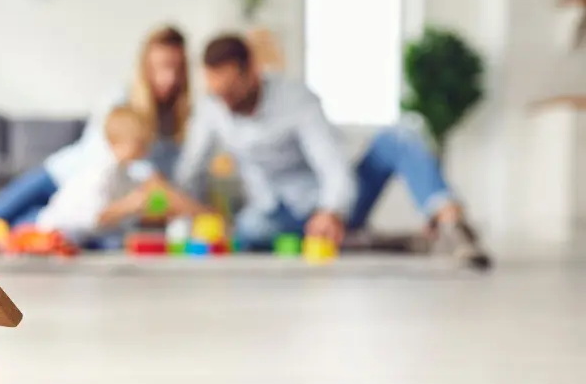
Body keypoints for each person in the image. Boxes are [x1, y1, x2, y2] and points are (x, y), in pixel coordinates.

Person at [175, 34, 492, 270]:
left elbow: (332, 163)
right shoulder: (211, 110)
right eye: (217, 94)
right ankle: (368, 241)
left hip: (330, 204)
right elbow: (191, 170)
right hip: (274, 214)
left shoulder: (296, 100)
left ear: (252, 73)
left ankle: (452, 225)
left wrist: (331, 210)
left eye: (231, 91)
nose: (225, 102)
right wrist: (188, 214)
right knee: (250, 231)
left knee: (401, 135)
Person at [0, 25, 194, 225]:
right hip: (58, 176)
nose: (170, 78)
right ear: (146, 67)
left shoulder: (176, 121)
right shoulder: (119, 99)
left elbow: (166, 179)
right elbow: (129, 161)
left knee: (20, 231)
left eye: (177, 69)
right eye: (162, 67)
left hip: (82, 205)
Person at [37, 106, 205, 248]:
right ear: (117, 142)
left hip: (83, 238)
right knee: (115, 243)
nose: (145, 151)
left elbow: (136, 202)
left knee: (120, 241)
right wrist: (129, 205)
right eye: (140, 144)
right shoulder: (100, 172)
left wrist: (150, 208)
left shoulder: (125, 172)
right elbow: (95, 217)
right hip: (55, 233)